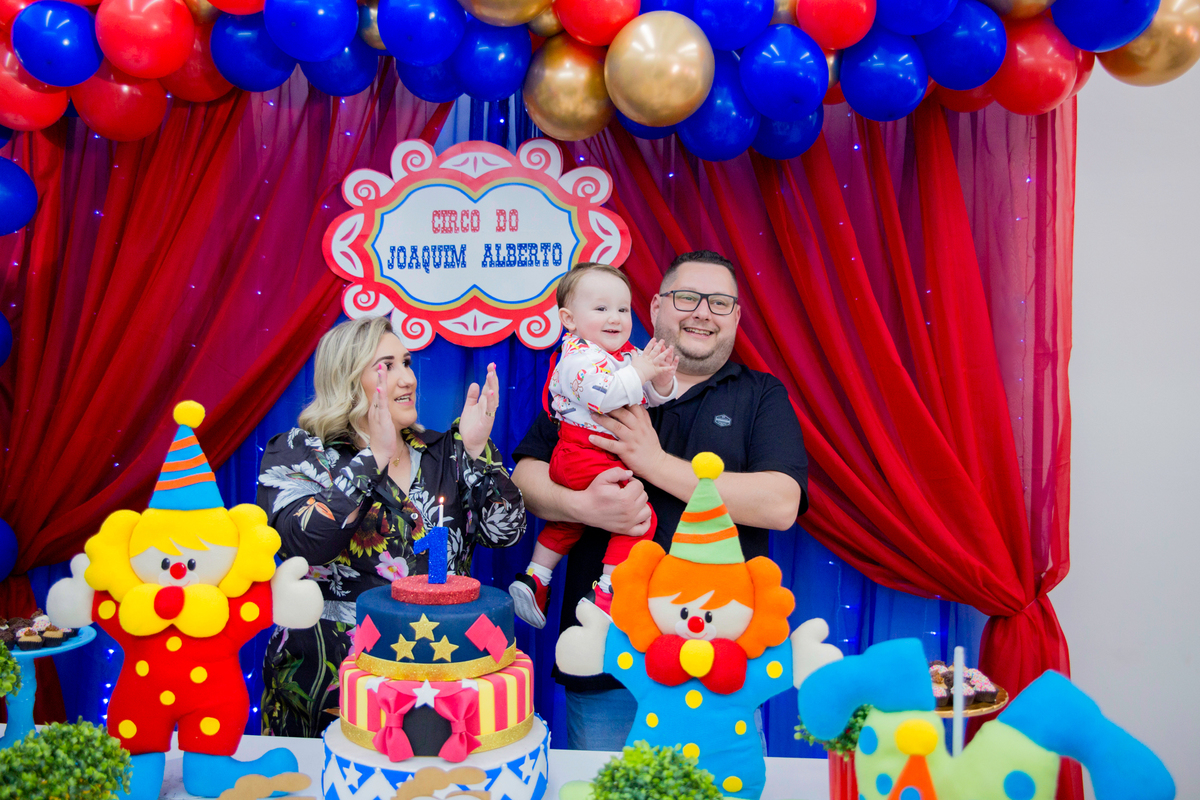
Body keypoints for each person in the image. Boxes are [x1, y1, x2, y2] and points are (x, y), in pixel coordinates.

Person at [511, 250, 808, 750]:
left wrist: (654, 464)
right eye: (687, 297)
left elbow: (780, 504)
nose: (702, 312)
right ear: (652, 308)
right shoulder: (594, 374)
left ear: (736, 317)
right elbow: (523, 477)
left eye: (719, 302)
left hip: (719, 665)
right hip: (607, 661)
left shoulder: (759, 394)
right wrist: (580, 508)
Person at [256, 316, 525, 737]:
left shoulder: (444, 452)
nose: (408, 378)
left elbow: (505, 531)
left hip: (441, 676)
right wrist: (373, 457)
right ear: (348, 379)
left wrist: (476, 453)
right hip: (329, 685)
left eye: (407, 362)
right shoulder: (298, 452)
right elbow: (304, 543)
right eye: (388, 366)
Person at [508, 263, 678, 629]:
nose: (615, 317)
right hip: (583, 453)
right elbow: (608, 395)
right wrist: (643, 369)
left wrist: (660, 379)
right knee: (638, 520)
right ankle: (607, 594)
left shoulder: (621, 356)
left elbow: (650, 397)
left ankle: (535, 577)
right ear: (568, 319)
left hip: (586, 456)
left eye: (622, 308)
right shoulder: (578, 359)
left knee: (570, 522)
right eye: (600, 309)